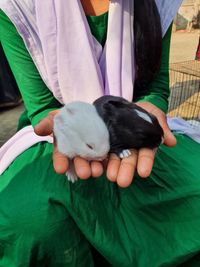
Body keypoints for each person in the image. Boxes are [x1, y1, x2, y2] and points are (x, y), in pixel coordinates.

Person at [0, 0, 200, 266]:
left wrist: (148, 109)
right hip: (51, 138)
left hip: (137, 128)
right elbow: (43, 108)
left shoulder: (160, 3)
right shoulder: (17, 6)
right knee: (31, 222)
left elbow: (156, 88)